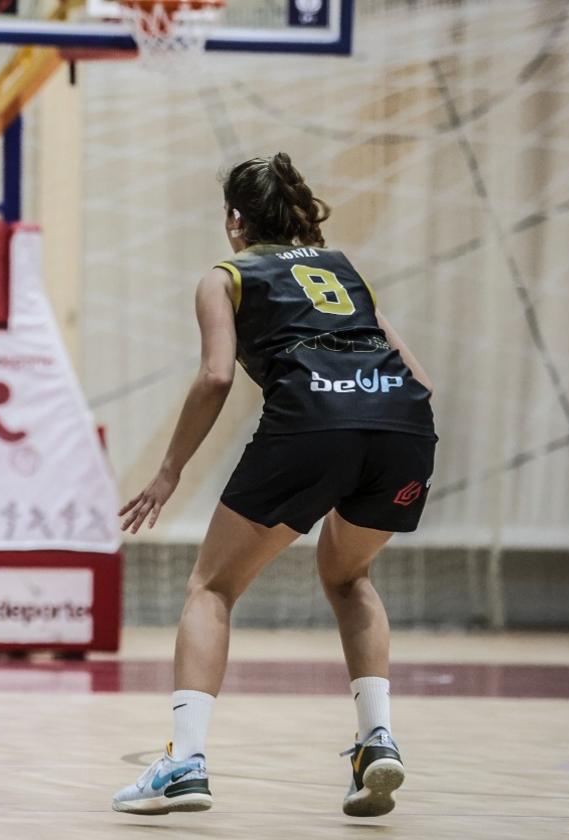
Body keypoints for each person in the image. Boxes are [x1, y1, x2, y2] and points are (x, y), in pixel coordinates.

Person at [111, 153, 436, 819]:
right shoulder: (345, 270)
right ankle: (377, 739)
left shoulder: (225, 275)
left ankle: (184, 763)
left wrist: (169, 471)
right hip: (403, 424)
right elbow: (420, 376)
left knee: (212, 588)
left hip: (314, 423)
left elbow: (215, 377)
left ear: (234, 219)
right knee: (349, 578)